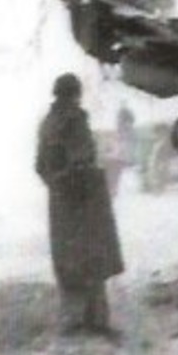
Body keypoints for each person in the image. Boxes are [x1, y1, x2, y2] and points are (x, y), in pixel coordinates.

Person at [34, 74, 125, 338]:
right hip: (84, 201)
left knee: (68, 259)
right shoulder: (76, 119)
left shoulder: (46, 123)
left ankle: (72, 319)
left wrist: (56, 185)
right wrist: (89, 184)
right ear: (75, 94)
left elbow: (39, 166)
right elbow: (82, 160)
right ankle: (96, 320)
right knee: (94, 258)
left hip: (60, 203)